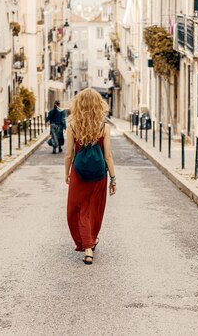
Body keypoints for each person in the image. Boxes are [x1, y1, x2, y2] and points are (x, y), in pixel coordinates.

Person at [64, 88, 116, 265]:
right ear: (98, 105)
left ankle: (87, 246)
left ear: (78, 105)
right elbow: (108, 155)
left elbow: (68, 154)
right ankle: (90, 241)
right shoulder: (104, 127)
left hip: (79, 174)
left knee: (77, 209)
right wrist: (113, 179)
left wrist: (67, 173)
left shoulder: (72, 126)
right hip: (99, 175)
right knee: (94, 209)